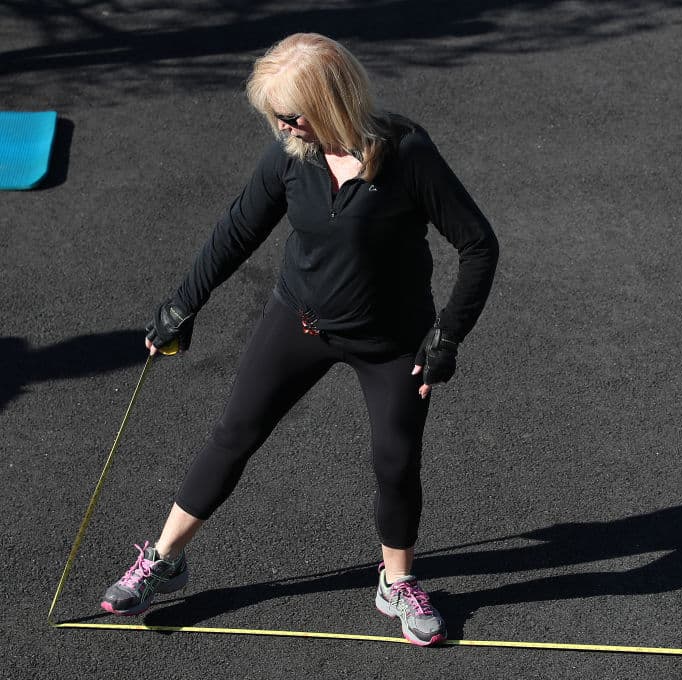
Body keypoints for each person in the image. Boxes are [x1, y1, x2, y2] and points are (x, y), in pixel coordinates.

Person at [99, 33, 499, 647]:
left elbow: (478, 245)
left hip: (391, 340)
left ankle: (396, 584)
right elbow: (235, 231)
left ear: (330, 100)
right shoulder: (292, 154)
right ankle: (164, 559)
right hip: (299, 320)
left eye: (290, 115)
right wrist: (183, 304)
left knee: (395, 464)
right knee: (233, 435)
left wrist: (447, 336)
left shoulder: (407, 153)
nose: (283, 127)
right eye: (275, 117)